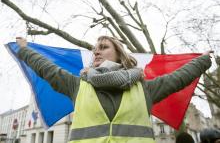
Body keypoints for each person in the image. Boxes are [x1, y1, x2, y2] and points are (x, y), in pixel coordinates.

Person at [16, 36, 212, 143]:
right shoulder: (77, 84)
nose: (96, 51)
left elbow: (178, 78)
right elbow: (46, 68)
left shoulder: (144, 88)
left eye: (103, 46)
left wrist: (203, 60)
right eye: (95, 49)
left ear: (119, 55)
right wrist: (24, 49)